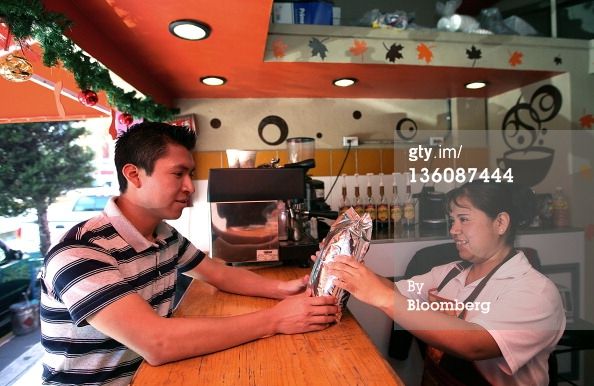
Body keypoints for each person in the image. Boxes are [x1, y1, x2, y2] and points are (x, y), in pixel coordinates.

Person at [40, 121, 338, 385]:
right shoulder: (80, 252)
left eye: (190, 174)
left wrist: (284, 289)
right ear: (134, 174)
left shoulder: (164, 234)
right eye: (178, 174)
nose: (190, 188)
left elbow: (218, 273)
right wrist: (275, 320)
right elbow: (158, 342)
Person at [328, 181, 566, 386]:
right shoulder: (450, 273)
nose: (453, 230)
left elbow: (474, 344)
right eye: (452, 220)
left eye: (464, 219)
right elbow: (398, 291)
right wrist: (346, 265)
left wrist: (382, 296)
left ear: (500, 223)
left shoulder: (535, 292)